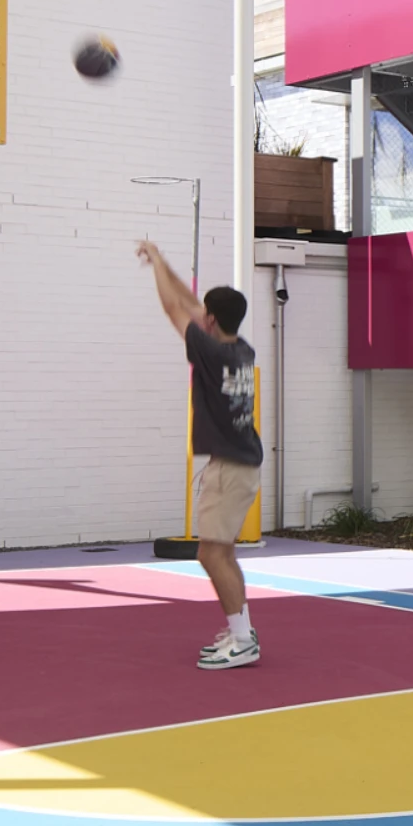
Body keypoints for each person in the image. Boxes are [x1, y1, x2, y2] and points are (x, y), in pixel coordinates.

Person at [137, 240, 265, 670]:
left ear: (210, 320)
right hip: (241, 463)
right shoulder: (240, 348)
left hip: (229, 469)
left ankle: (243, 641)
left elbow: (173, 309)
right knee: (222, 553)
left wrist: (156, 264)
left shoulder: (209, 352)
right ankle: (242, 630)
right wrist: (164, 263)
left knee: (211, 554)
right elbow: (191, 305)